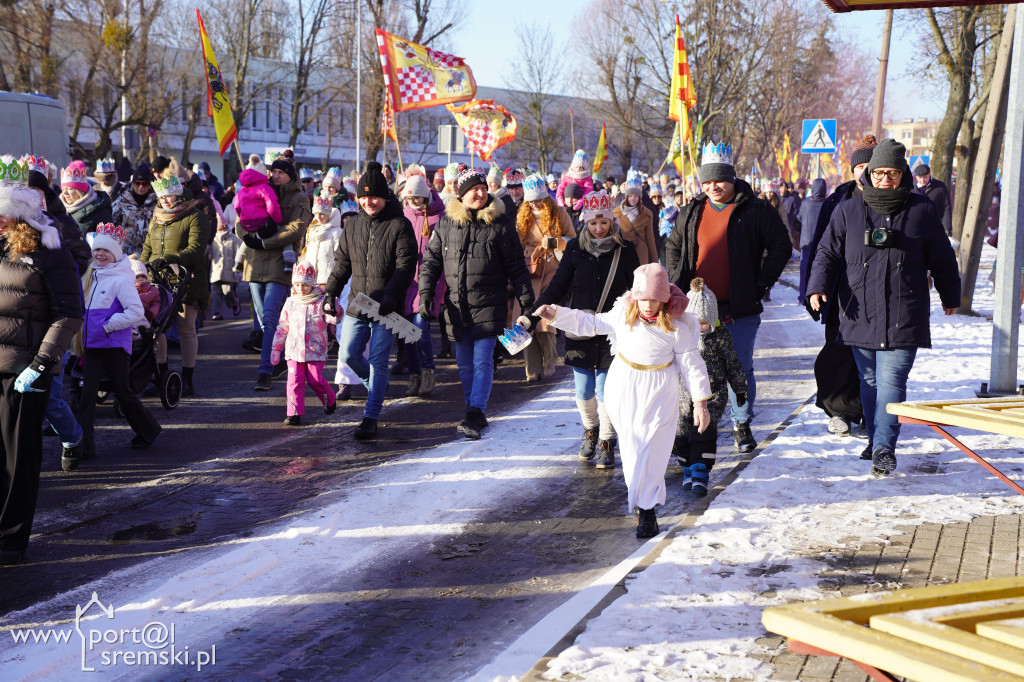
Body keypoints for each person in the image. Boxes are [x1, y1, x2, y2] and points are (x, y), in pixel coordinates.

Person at [807, 139, 961, 476]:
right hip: (859, 310)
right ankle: (876, 439)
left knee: (892, 381)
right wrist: (816, 287)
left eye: (892, 173)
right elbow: (826, 253)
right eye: (878, 173)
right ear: (869, 175)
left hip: (905, 311)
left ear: (902, 173)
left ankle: (883, 448)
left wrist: (951, 296)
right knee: (870, 380)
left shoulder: (921, 210)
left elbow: (943, 258)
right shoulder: (848, 210)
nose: (884, 180)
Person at [536, 264, 711, 539]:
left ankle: (649, 508)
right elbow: (590, 323)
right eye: (644, 299)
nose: (649, 305)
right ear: (635, 296)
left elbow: (691, 363)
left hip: (661, 388)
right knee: (632, 447)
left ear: (665, 298)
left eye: (655, 299)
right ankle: (642, 505)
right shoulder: (623, 313)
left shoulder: (678, 324)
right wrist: (557, 314)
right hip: (625, 384)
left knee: (655, 447)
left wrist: (701, 401)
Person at [665, 142, 790, 454]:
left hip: (739, 308)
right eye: (706, 181)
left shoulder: (756, 210)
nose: (712, 187)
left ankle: (741, 421)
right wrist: (677, 284)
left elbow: (781, 247)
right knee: (695, 365)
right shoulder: (692, 210)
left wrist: (759, 284)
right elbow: (673, 247)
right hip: (695, 309)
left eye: (718, 180)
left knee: (739, 367)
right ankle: (697, 422)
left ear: (732, 178)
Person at [0, 169, 83, 562]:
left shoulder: (51, 252)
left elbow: (68, 313)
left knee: (19, 457)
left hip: (24, 371)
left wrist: (41, 363)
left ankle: (12, 537)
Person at [418, 168, 536, 440]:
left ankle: (474, 412)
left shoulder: (501, 224)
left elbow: (517, 268)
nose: (480, 193)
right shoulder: (447, 223)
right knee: (465, 364)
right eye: (473, 189)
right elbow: (431, 263)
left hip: (489, 305)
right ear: (461, 194)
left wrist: (527, 301)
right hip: (457, 308)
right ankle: (475, 410)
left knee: (483, 361)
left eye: (483, 188)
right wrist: (426, 294)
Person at [532, 190, 639, 466]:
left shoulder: (625, 251)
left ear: (611, 222)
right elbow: (558, 286)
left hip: (612, 330)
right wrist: (534, 314)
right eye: (593, 223)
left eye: (603, 223)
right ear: (585, 223)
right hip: (580, 327)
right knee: (583, 390)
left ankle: (606, 440)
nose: (599, 229)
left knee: (605, 390)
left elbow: (636, 290)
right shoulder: (575, 250)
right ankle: (590, 430)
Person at [323, 161, 416, 440]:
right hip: (358, 304)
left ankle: (371, 416)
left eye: (373, 196)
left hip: (387, 307)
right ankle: (375, 385)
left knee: (378, 361)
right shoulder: (352, 227)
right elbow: (341, 264)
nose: (368, 202)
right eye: (363, 196)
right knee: (348, 354)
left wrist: (391, 296)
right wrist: (331, 291)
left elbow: (406, 267)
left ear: (385, 196)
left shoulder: (400, 225)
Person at [798, 135, 876, 437]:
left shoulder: (895, 197)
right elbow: (821, 248)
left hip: (878, 292)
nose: (867, 171)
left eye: (872, 165)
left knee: (872, 358)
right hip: (841, 293)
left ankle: (870, 412)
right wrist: (813, 288)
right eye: (861, 165)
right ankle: (841, 411)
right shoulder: (836, 200)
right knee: (839, 352)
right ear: (853, 169)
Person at [77, 223, 162, 462]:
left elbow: (136, 311)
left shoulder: (122, 280)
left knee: (123, 393)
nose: (100, 254)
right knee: (86, 397)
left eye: (106, 251)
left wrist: (108, 325)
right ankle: (85, 446)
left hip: (114, 347)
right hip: (93, 347)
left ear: (115, 254)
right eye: (97, 250)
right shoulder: (91, 276)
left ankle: (149, 430)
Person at [237, 156, 310, 390]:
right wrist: (248, 235)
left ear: (291, 175)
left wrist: (267, 241)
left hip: (280, 262)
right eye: (273, 171)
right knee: (262, 319)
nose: (275, 175)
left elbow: (297, 227)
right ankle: (280, 356)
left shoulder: (299, 198)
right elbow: (240, 221)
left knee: (269, 319)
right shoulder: (257, 188)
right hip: (255, 263)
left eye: (281, 172)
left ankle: (265, 371)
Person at [673, 278, 747, 496]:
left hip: (712, 397)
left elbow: (733, 364)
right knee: (682, 435)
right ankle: (687, 469)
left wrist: (739, 388)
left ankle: (701, 473)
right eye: (694, 322)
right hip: (682, 396)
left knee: (703, 434)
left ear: (712, 319)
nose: (699, 327)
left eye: (703, 323)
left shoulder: (721, 337)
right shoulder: (680, 335)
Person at [141, 173, 210, 397]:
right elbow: (147, 249)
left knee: (186, 328)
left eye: (170, 196)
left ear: (178, 195)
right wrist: (140, 269)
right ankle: (161, 377)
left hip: (186, 279)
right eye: (163, 197)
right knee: (156, 329)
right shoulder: (157, 217)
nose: (166, 201)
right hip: (157, 280)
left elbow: (197, 248)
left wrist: (171, 259)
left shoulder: (194, 216)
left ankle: (187, 379)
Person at [516, 174, 576, 382]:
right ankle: (531, 368)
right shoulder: (523, 216)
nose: (534, 203)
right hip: (529, 271)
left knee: (546, 315)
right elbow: (517, 244)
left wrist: (554, 243)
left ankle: (550, 362)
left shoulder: (559, 213)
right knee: (526, 319)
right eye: (530, 199)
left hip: (552, 269)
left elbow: (573, 241)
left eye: (538, 198)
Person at [271, 262, 338, 426]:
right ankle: (293, 413)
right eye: (298, 285)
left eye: (306, 285)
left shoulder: (321, 301)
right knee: (294, 381)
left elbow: (332, 319)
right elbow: (282, 326)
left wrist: (335, 310)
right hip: (294, 350)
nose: (301, 289)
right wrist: (276, 347)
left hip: (315, 350)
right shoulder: (290, 302)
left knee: (315, 380)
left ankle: (329, 399)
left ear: (312, 284)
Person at [399, 167, 444, 398]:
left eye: (416, 197)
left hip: (429, 282)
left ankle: (428, 370)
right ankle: (414, 373)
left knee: (420, 327)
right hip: (407, 281)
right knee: (405, 330)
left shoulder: (440, 217)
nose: (413, 202)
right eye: (409, 198)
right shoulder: (404, 215)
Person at [332, 200, 362, 401]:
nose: (349, 221)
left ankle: (374, 378)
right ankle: (344, 382)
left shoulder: (365, 236)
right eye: (346, 218)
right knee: (344, 339)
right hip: (343, 295)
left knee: (367, 341)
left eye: (353, 217)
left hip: (366, 293)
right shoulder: (337, 238)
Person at [234, 163, 289, 269]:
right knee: (283, 233)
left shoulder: (242, 191)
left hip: (246, 223)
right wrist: (276, 219)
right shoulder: (264, 187)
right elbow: (271, 204)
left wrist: (243, 216)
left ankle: (238, 261)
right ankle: (289, 261)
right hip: (262, 221)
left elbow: (236, 207)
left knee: (248, 238)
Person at [111, 163, 158, 257]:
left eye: (144, 184)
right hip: (125, 253)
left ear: (149, 185)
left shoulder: (157, 203)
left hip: (148, 253)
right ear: (132, 184)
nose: (141, 187)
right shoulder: (121, 201)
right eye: (137, 183)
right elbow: (112, 224)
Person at [613, 176, 659, 265]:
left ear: (639, 197)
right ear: (626, 197)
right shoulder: (616, 213)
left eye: (636, 196)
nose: (633, 199)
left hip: (641, 254)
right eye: (630, 196)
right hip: (622, 253)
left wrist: (655, 263)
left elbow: (650, 240)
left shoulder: (647, 214)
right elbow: (613, 236)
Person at [60, 161, 113, 234]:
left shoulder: (100, 210)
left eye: (70, 189)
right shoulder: (59, 210)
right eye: (63, 189)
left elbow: (106, 240)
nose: (65, 193)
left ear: (81, 191)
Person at [210, 216, 243, 320]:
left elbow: (239, 254)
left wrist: (238, 268)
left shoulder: (233, 238)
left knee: (227, 291)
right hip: (215, 271)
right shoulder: (212, 238)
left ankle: (234, 303)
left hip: (229, 271)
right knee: (215, 293)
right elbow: (209, 254)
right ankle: (217, 312)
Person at [912, 163, 953, 236]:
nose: (922, 180)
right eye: (920, 177)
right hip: (915, 226)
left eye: (925, 177)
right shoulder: (911, 187)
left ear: (929, 174)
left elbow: (946, 208)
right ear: (916, 177)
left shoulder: (940, 187)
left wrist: (947, 228)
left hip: (933, 226)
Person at [798, 178, 827, 256]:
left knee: (805, 265)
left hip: (806, 241)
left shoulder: (805, 204)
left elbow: (799, 218)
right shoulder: (828, 204)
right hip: (823, 242)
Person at [130, 258, 161, 324]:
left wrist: (151, 312)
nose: (141, 279)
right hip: (129, 315)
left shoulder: (153, 291)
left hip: (144, 316)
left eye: (143, 276)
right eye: (137, 277)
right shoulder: (127, 289)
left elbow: (156, 303)